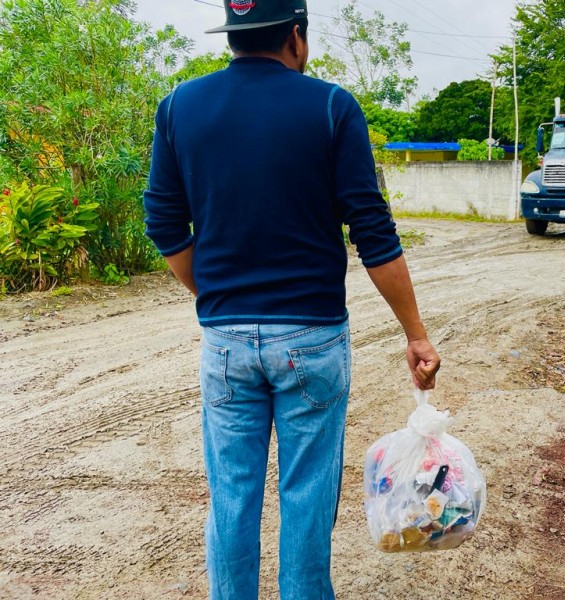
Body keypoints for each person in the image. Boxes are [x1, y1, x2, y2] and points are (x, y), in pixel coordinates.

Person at [142, 1, 441, 598]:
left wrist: (215, 293)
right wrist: (415, 331)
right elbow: (373, 232)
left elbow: (164, 222)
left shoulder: (180, 107)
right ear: (296, 36)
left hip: (226, 343)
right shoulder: (330, 107)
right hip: (312, 339)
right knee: (305, 498)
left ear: (233, 35)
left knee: (231, 497)